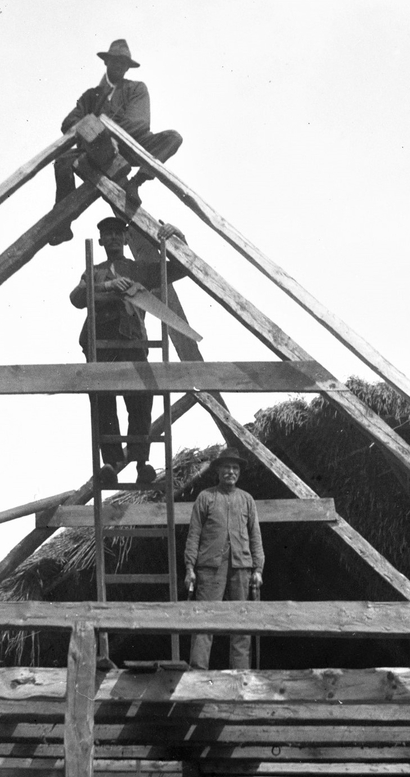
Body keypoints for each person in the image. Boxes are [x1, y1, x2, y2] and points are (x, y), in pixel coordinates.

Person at [69, 215, 187, 486]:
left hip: (132, 339)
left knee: (141, 399)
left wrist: (178, 238)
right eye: (107, 234)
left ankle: (141, 461)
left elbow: (180, 269)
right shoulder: (94, 271)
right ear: (100, 241)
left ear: (125, 239)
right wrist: (107, 286)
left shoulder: (138, 270)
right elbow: (76, 297)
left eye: (117, 233)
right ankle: (109, 463)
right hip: (101, 342)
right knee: (103, 401)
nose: (112, 237)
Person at [52, 39, 183, 240]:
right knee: (62, 161)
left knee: (172, 138)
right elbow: (69, 122)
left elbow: (138, 123)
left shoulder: (136, 88)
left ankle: (136, 183)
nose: (119, 66)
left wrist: (103, 128)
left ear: (128, 67)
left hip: (130, 145)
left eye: (124, 63)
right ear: (107, 62)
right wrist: (93, 131)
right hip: (94, 148)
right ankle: (62, 223)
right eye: (115, 61)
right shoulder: (92, 95)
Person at [184, 448, 264, 669]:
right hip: (210, 569)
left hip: (241, 568)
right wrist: (190, 567)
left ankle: (240, 676)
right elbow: (194, 534)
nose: (231, 472)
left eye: (235, 468)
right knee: (205, 620)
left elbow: (255, 536)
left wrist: (258, 569)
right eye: (227, 467)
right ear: (218, 471)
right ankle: (198, 673)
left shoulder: (247, 500)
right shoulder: (206, 497)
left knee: (241, 621)